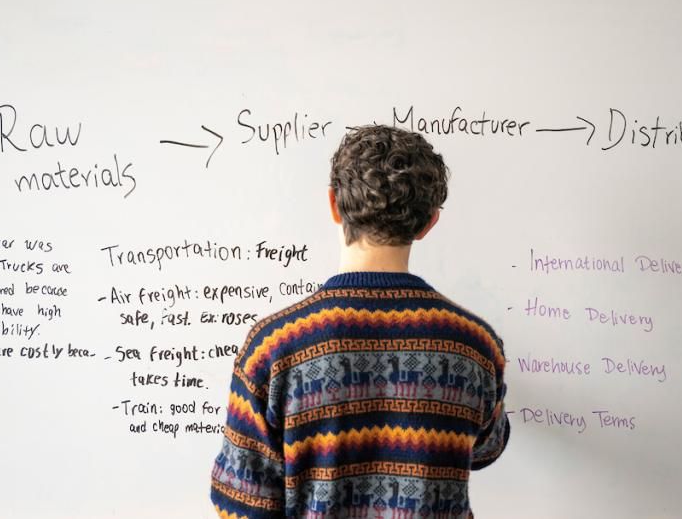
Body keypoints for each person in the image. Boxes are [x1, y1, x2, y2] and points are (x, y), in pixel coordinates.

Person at [210, 125, 509, 518]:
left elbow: (241, 502)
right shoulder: (475, 344)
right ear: (429, 223)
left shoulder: (275, 346)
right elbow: (486, 449)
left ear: (334, 205)